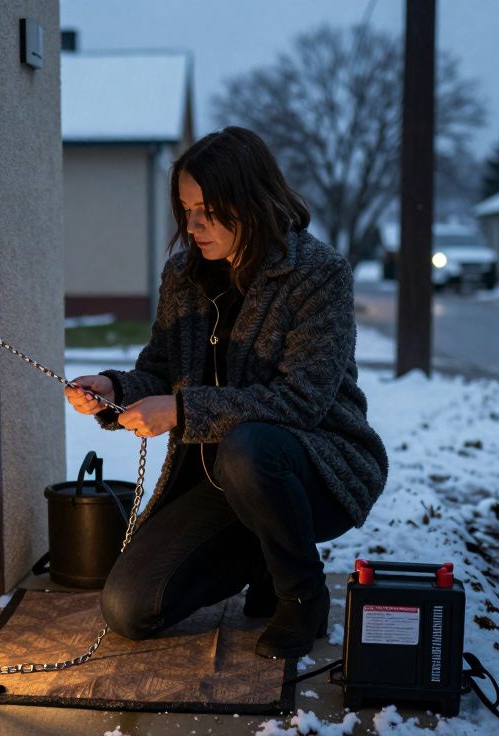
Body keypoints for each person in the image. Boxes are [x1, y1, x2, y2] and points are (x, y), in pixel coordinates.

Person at [64, 126, 387, 659]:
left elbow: (301, 400)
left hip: (314, 469)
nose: (193, 225)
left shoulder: (318, 274)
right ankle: (262, 552)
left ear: (253, 201)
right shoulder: (184, 276)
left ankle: (302, 595)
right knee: (129, 608)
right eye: (187, 209)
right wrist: (114, 389)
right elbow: (161, 371)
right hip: (214, 480)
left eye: (208, 209)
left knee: (250, 446)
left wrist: (183, 411)